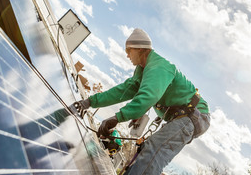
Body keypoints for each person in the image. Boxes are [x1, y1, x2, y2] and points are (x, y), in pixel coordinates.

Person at [72, 28, 210, 175]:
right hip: (184, 116)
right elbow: (121, 91)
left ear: (139, 49)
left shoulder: (158, 67)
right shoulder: (143, 72)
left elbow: (147, 96)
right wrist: (89, 102)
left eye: (129, 50)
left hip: (193, 116)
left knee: (154, 150)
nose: (127, 54)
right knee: (148, 151)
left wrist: (117, 117)